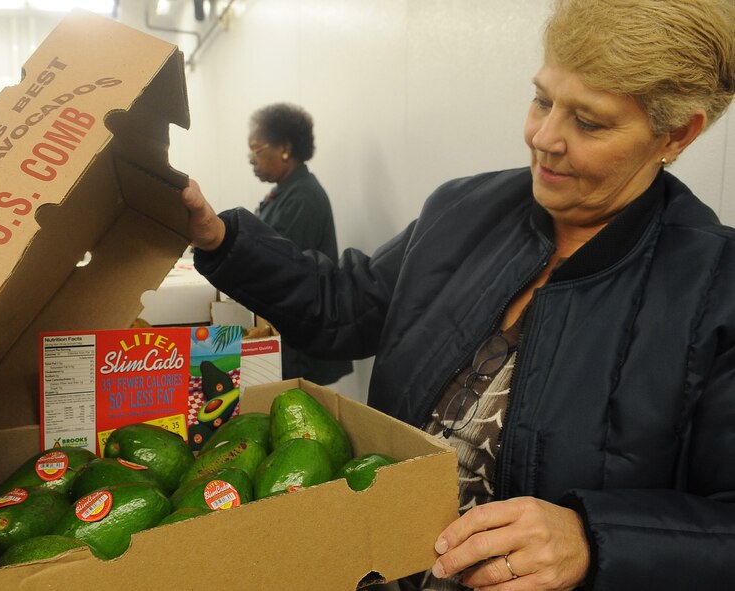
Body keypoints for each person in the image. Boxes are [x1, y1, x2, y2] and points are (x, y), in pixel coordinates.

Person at [180, 0, 735, 589]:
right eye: (543, 100)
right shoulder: (464, 210)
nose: (543, 138)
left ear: (676, 132)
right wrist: (220, 237)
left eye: (589, 122)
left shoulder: (715, 290)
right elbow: (344, 305)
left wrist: (592, 538)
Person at [246, 102, 353, 386]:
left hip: (304, 335)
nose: (250, 159)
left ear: (284, 148)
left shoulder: (303, 197)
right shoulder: (285, 192)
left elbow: (278, 265)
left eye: (256, 150)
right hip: (292, 326)